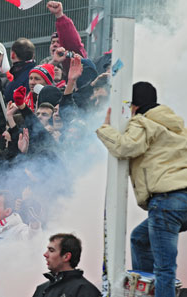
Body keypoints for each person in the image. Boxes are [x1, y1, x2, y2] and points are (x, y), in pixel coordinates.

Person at [96, 81, 187, 297]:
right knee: (139, 238)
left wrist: (105, 130)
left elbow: (126, 146)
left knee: (164, 269)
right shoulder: (176, 126)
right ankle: (145, 288)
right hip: (183, 199)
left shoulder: (142, 122)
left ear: (134, 106)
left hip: (166, 201)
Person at [32, 233, 101, 297]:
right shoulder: (41, 289)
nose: (45, 255)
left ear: (66, 257)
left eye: (51, 250)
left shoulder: (85, 290)